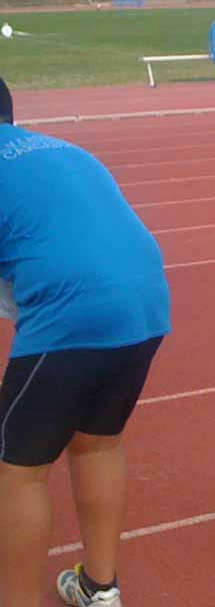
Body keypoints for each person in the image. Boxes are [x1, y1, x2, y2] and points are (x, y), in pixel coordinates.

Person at [0, 77, 171, 607]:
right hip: (146, 303)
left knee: (16, 470)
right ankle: (100, 589)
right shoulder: (62, 149)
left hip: (72, 313)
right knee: (97, 442)